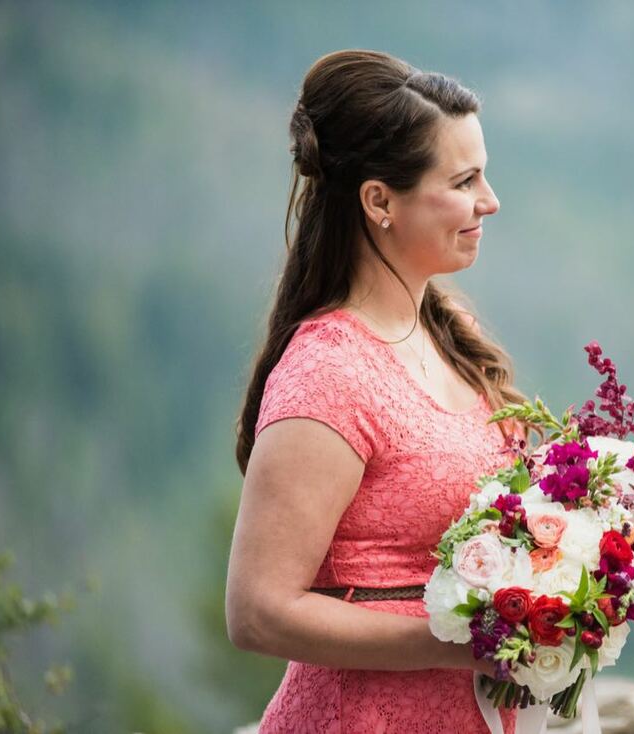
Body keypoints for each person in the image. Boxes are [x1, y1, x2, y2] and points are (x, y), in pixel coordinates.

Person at [225, 49, 528, 733]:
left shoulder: (451, 332)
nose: (490, 200)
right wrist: (452, 643)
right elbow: (256, 611)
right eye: (465, 180)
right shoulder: (328, 372)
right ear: (378, 201)